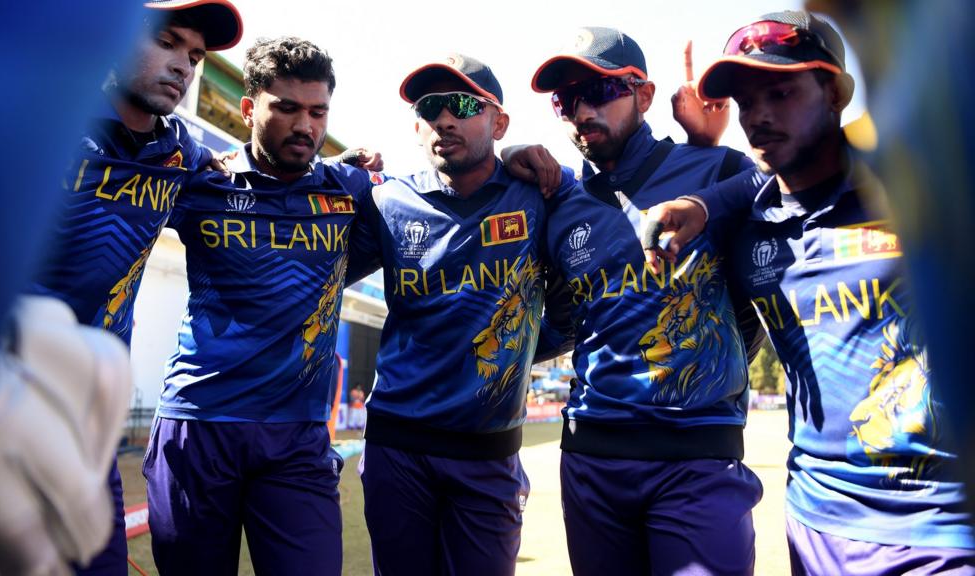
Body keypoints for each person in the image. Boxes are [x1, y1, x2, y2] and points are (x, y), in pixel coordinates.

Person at [645, 11, 975, 573]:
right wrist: (708, 196)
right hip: (813, 524)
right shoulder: (745, 221)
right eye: (748, 102)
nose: (760, 116)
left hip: (937, 528)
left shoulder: (912, 177)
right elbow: (745, 178)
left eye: (782, 91)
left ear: (835, 93)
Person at [527, 26, 762, 575]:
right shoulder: (556, 202)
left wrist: (710, 377)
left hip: (698, 456)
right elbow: (564, 322)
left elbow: (756, 303)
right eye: (567, 99)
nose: (582, 109)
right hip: (591, 459)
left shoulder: (718, 171)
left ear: (646, 95)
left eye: (601, 90)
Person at [143, 36, 378, 576]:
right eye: (287, 108)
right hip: (198, 425)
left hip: (296, 435)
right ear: (249, 108)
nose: (306, 126)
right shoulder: (201, 180)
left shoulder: (351, 191)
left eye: (318, 112)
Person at [23, 2, 242, 574]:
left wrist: (347, 167)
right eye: (166, 42)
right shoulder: (42, 119)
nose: (184, 66)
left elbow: (260, 186)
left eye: (194, 55)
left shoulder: (184, 157)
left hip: (90, 425)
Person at [347, 54, 570, 575]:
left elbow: (574, 299)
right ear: (417, 125)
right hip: (397, 446)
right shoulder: (388, 202)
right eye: (431, 107)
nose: (445, 119)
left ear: (500, 122)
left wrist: (522, 348)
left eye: (463, 105)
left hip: (489, 451)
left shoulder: (543, 196)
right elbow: (315, 274)